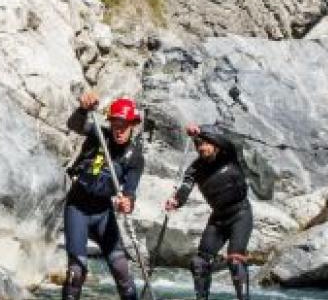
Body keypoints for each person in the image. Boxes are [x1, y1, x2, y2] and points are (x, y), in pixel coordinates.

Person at [62, 90, 145, 300]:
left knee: (121, 270)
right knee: (76, 272)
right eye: (115, 124)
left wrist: (127, 203)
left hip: (103, 212)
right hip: (77, 207)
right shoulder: (98, 134)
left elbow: (130, 192)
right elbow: (74, 124)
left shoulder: (135, 157)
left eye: (124, 125)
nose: (119, 130)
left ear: (132, 126)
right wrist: (82, 109)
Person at [164, 123, 252, 300]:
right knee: (199, 263)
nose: (202, 147)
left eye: (206, 143)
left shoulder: (229, 156)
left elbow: (226, 142)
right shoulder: (195, 168)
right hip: (218, 219)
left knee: (235, 260)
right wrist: (176, 201)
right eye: (198, 144)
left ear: (215, 144)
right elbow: (185, 187)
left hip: (240, 215)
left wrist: (200, 132)